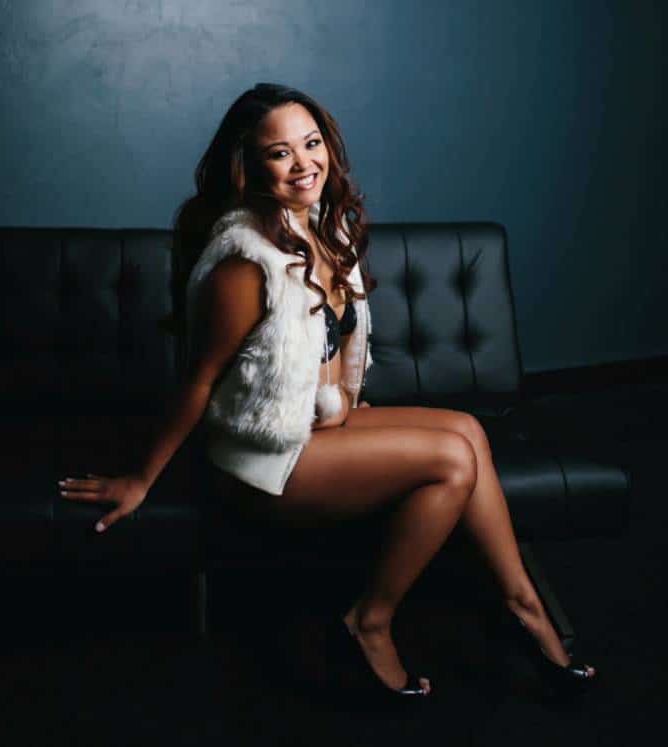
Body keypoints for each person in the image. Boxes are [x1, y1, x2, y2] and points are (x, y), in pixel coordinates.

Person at [58, 83, 596, 703]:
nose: (304, 163)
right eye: (279, 153)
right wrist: (141, 479)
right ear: (248, 167)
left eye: (311, 144)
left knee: (468, 432)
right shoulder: (244, 260)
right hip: (263, 462)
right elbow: (200, 378)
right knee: (452, 463)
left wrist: (344, 406)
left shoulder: (322, 227)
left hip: (315, 428)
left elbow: (330, 343)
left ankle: (522, 603)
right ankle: (369, 621)